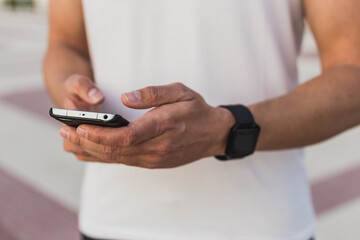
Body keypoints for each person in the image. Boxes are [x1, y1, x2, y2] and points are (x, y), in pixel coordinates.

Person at [43, 0, 360, 239]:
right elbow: (65, 43)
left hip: (262, 225)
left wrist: (226, 129)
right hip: (111, 220)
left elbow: (353, 72)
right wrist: (72, 92)